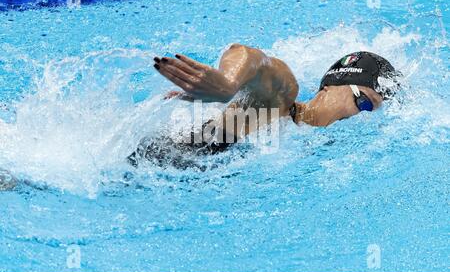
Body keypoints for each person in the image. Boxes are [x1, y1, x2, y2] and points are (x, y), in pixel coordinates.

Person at [128, 45, 401, 167]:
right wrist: (227, 84)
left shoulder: (304, 144)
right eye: (364, 103)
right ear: (329, 88)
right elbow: (250, 56)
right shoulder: (280, 103)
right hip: (139, 169)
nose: (362, 119)